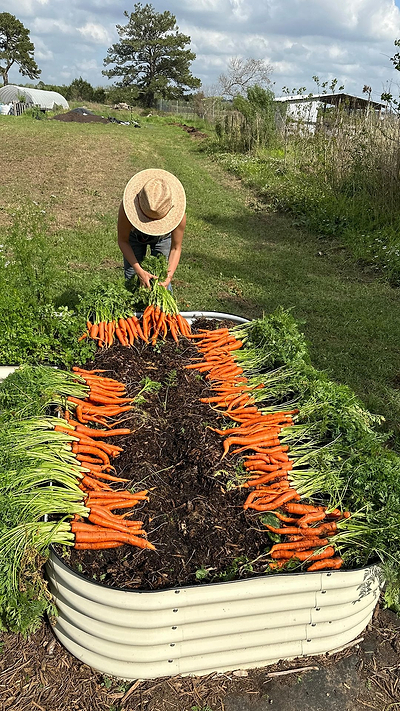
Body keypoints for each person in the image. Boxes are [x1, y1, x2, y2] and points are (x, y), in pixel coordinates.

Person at [118, 168, 186, 289]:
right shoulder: (126, 210)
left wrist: (168, 277)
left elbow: (176, 248)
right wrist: (138, 270)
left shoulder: (179, 216)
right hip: (134, 236)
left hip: (163, 238)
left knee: (162, 279)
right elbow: (123, 241)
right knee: (132, 279)